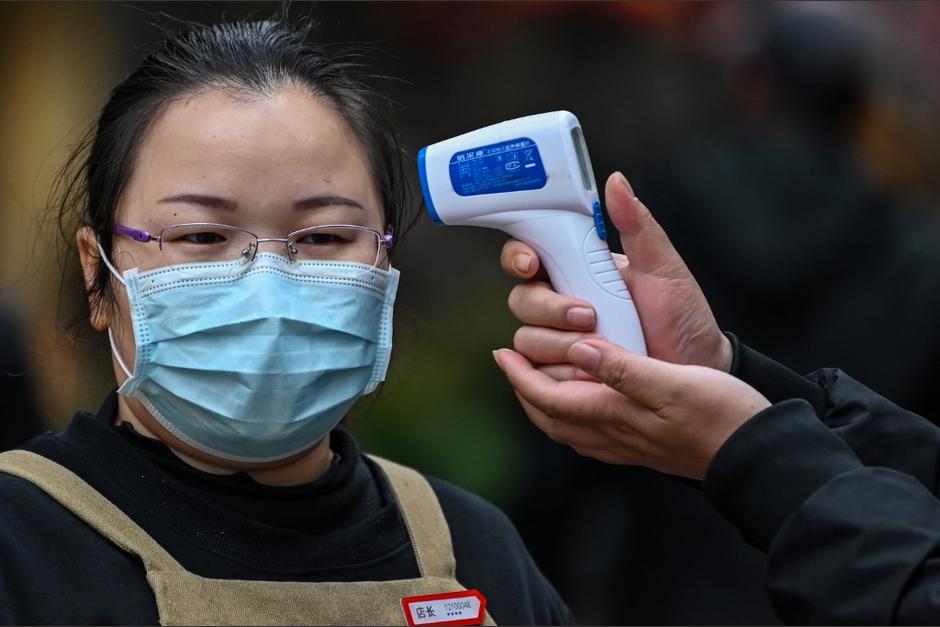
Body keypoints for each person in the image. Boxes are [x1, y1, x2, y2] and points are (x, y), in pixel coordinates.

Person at [0, 18, 571, 626]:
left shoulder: (474, 547)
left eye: (324, 235)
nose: (267, 284)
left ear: (383, 266)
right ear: (98, 275)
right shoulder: (19, 541)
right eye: (201, 234)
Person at [495, 170, 940, 624]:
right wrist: (726, 372)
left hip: (673, 594)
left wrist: (753, 447)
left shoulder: (677, 187)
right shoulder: (906, 241)